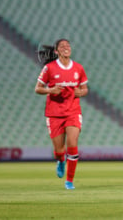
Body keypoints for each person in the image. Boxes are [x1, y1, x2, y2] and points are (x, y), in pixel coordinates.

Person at [35, 39, 88, 189]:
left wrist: (81, 92)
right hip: (54, 114)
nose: (66, 48)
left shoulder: (78, 68)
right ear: (56, 51)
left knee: (73, 143)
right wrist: (50, 90)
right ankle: (60, 160)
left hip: (73, 111)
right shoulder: (49, 68)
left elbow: (84, 89)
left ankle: (69, 181)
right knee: (59, 151)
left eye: (68, 46)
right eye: (62, 46)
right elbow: (38, 88)